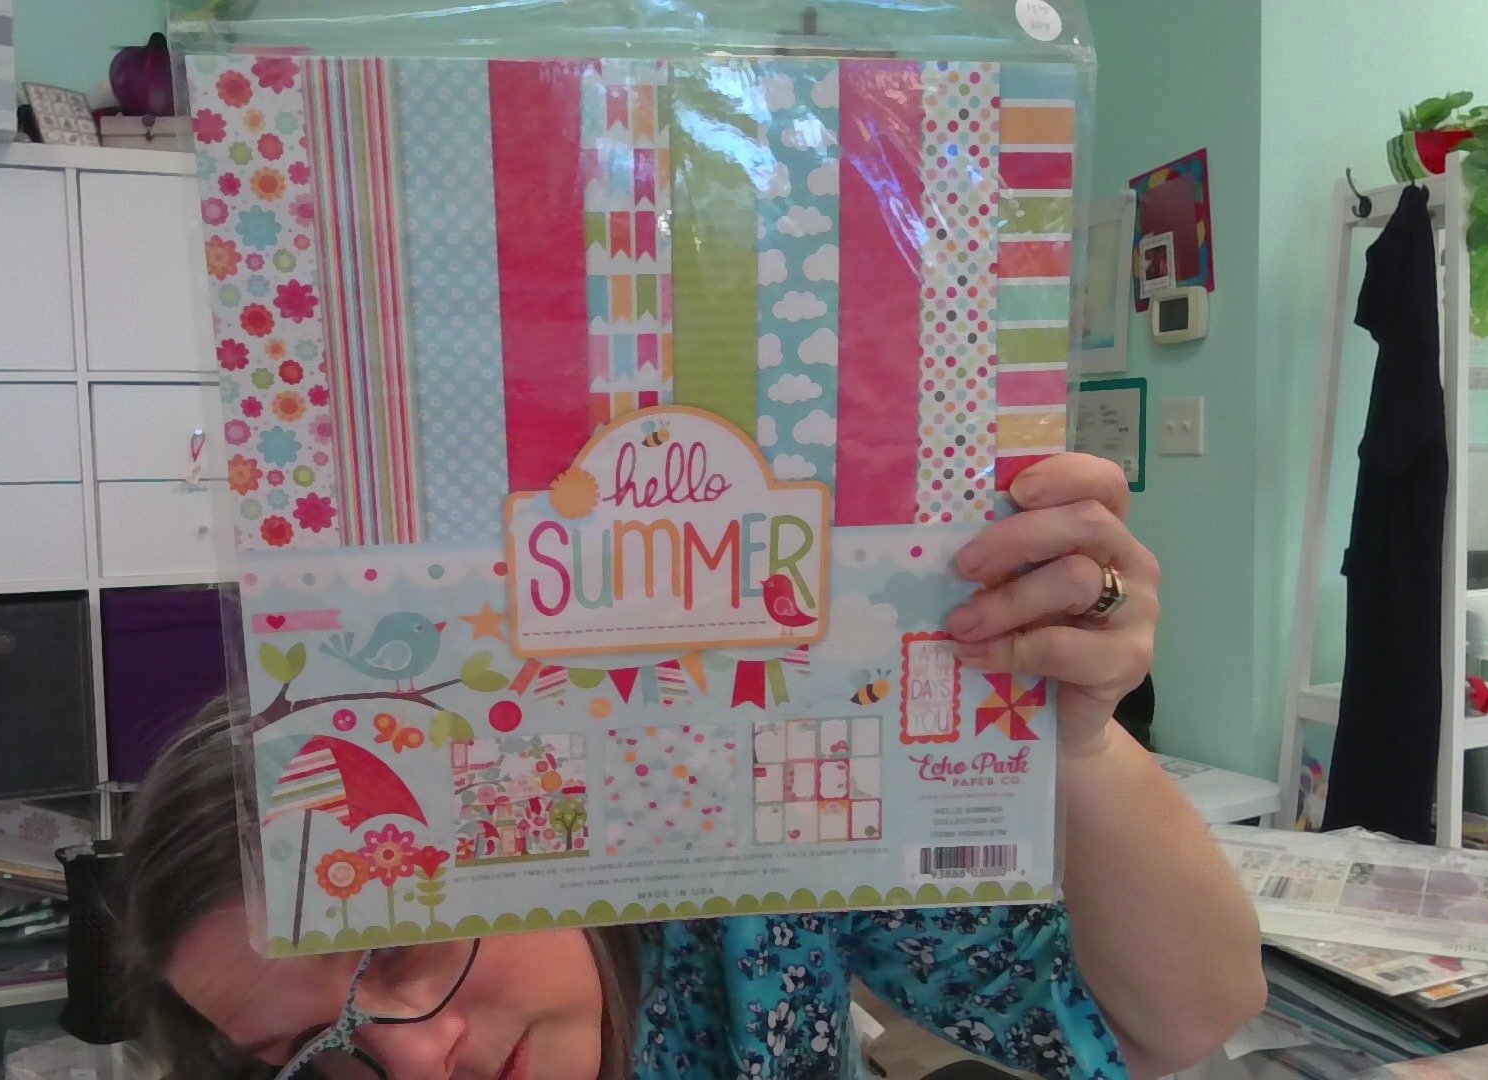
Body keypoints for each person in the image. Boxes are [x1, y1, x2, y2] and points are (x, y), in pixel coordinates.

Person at [117, 455, 1265, 1079]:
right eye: (309, 1055)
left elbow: (1173, 1022)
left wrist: (1077, 734)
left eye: (401, 947)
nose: (421, 1062)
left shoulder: (740, 872)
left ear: (500, 818)